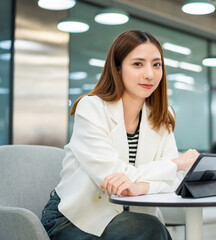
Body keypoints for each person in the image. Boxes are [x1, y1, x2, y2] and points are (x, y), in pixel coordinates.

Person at [41, 30, 200, 240]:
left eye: (156, 64)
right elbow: (113, 178)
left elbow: (176, 182)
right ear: (117, 68)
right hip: (73, 219)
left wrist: (140, 187)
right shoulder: (91, 108)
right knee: (150, 230)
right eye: (137, 64)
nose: (149, 74)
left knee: (147, 229)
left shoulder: (163, 115)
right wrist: (175, 164)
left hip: (132, 219)